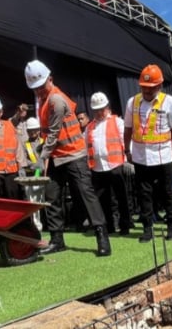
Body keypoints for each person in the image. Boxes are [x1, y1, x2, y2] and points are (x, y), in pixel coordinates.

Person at [24, 59, 111, 256]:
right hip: (56, 156)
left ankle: (102, 236)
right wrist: (43, 151)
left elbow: (54, 133)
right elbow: (48, 133)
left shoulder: (56, 100)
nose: (38, 91)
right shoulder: (42, 101)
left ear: (50, 79)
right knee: (51, 196)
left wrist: (41, 156)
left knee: (85, 194)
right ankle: (57, 239)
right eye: (35, 88)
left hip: (73, 154)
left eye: (40, 87)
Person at [123, 64, 172, 242]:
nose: (147, 91)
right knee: (144, 193)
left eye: (151, 88)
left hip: (163, 155)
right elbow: (127, 129)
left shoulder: (169, 102)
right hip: (141, 156)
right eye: (144, 87)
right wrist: (127, 150)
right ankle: (147, 228)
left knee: (167, 192)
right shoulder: (132, 102)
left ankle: (171, 226)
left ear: (159, 86)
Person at [84, 92, 133, 235]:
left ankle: (125, 225)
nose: (99, 112)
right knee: (103, 200)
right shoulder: (89, 127)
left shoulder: (117, 122)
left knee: (121, 197)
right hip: (98, 168)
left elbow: (125, 140)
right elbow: (86, 147)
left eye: (102, 109)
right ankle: (109, 226)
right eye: (96, 110)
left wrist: (127, 159)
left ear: (107, 107)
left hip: (115, 165)